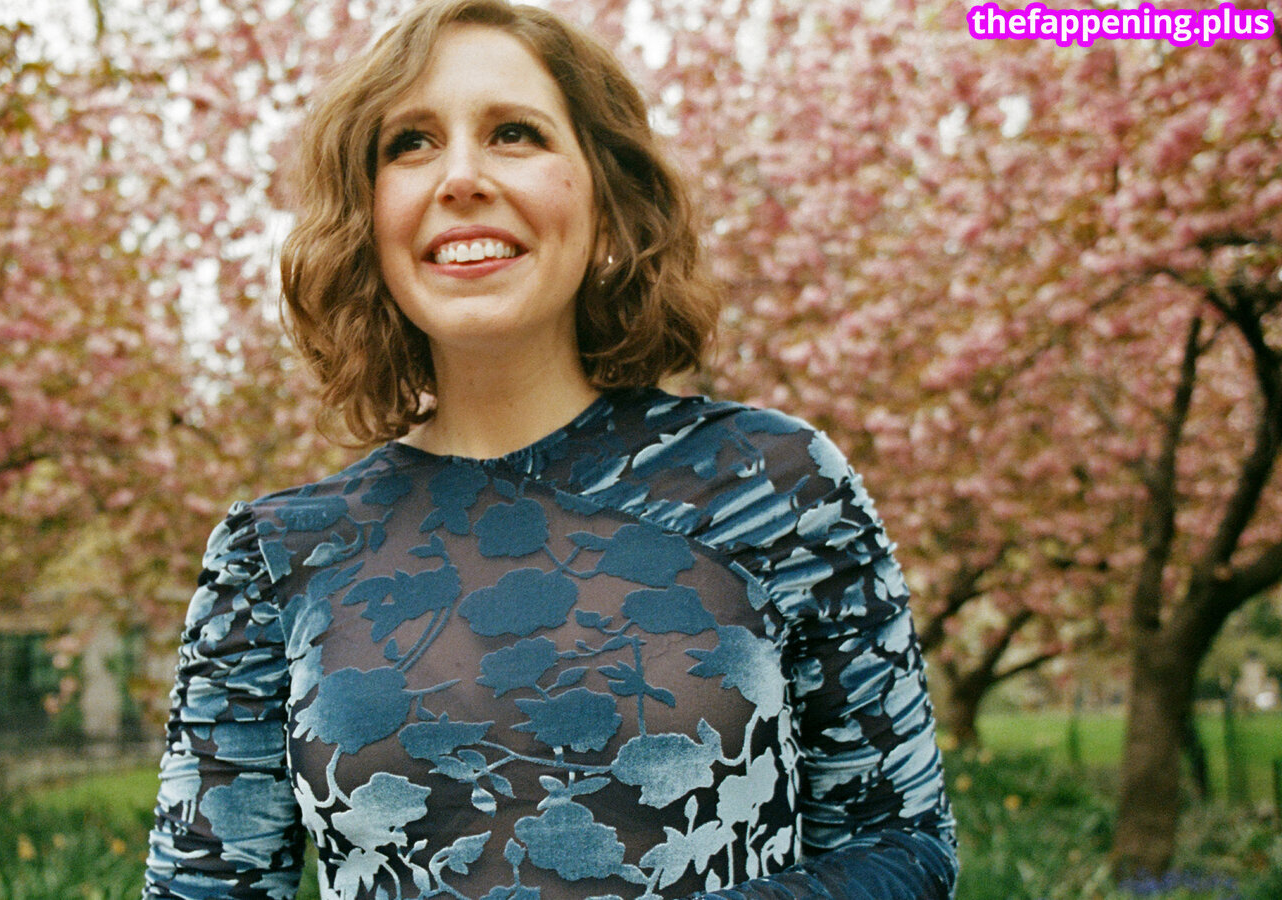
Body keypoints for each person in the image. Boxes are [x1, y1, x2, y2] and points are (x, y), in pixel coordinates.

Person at [143, 1, 957, 898]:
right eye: (410, 143)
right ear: (367, 218)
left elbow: (905, 848)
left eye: (514, 134)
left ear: (607, 201)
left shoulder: (772, 484)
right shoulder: (271, 558)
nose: (461, 177)